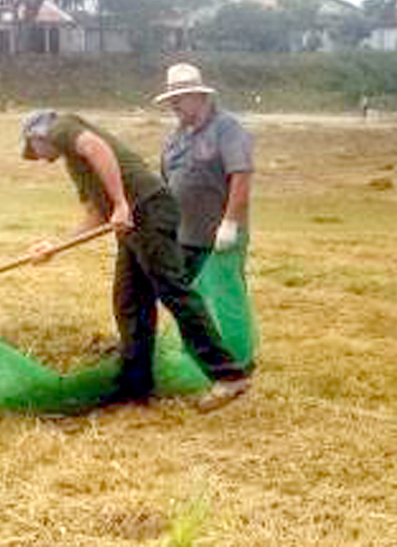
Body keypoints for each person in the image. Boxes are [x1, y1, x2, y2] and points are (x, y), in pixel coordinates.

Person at [21, 109, 252, 409]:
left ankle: (228, 375)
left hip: (149, 209)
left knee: (172, 289)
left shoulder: (60, 127)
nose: (37, 156)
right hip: (134, 219)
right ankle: (136, 385)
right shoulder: (76, 165)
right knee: (129, 299)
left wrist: (120, 203)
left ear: (36, 134)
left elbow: (96, 147)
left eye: (33, 149)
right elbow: (95, 215)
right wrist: (55, 247)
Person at [154, 63, 254, 283]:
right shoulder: (174, 138)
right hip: (182, 239)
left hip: (218, 240)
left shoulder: (226, 128)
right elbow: (166, 183)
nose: (173, 105)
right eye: (171, 99)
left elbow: (241, 176)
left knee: (222, 303)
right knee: (190, 305)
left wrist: (230, 224)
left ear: (199, 97)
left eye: (179, 99)